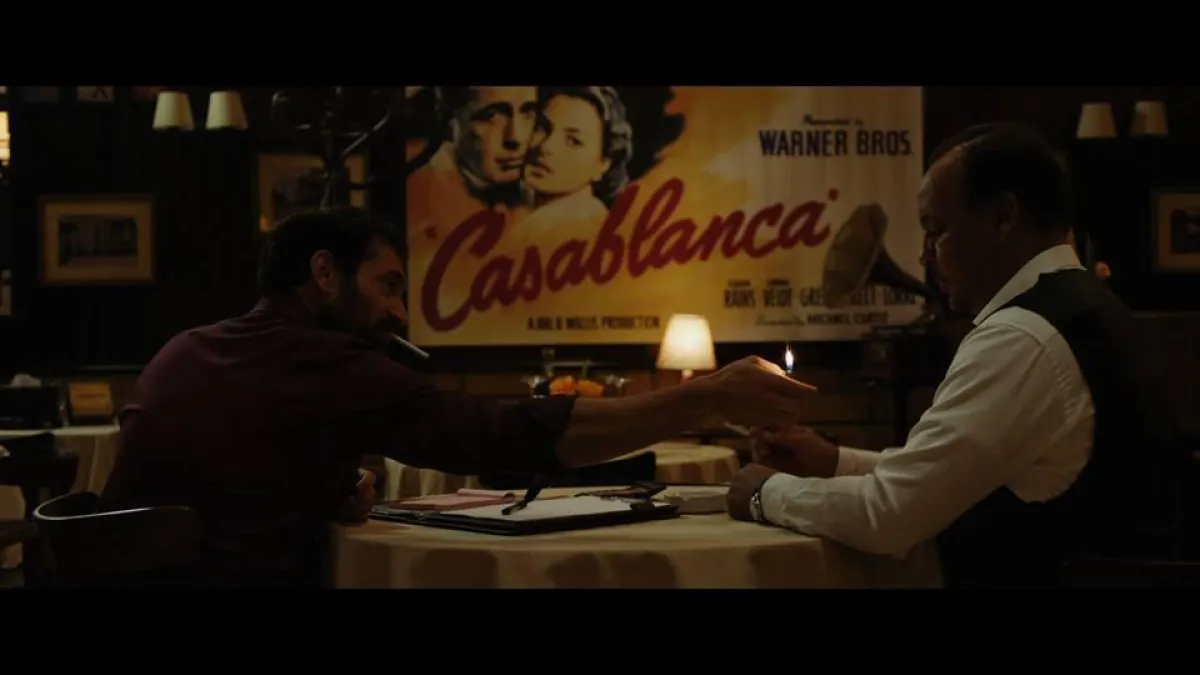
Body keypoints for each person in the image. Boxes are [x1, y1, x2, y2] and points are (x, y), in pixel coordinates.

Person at [100, 206, 817, 588]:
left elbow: (224, 479)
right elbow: (501, 436)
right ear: (324, 273)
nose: (397, 313)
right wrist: (708, 396)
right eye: (387, 286)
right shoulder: (327, 362)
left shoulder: (184, 348)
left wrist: (318, 492)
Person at [725, 123, 1183, 588]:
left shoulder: (1021, 337)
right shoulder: (1087, 306)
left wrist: (764, 491)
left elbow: (889, 515)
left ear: (1003, 218)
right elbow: (945, 474)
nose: (924, 256)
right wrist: (833, 461)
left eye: (935, 230)